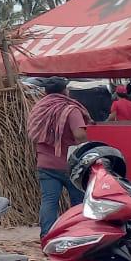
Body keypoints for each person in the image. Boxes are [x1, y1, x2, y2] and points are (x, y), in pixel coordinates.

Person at [26, 76, 92, 237]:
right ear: (65, 91)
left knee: (49, 201)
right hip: (69, 165)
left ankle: (47, 236)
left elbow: (33, 133)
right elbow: (80, 134)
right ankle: (78, 235)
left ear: (46, 92)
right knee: (78, 202)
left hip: (45, 164)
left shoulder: (39, 108)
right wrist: (88, 147)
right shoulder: (70, 109)